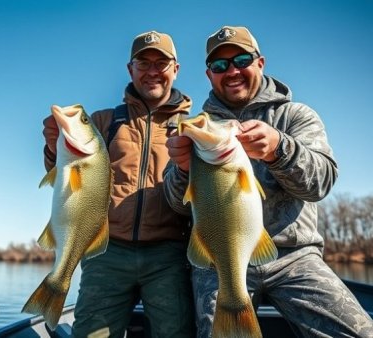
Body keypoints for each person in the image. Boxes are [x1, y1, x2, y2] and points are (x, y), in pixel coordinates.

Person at [163, 25, 373, 337]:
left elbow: (322, 183)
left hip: (295, 256)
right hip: (220, 261)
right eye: (219, 66)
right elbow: (175, 204)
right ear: (210, 76)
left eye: (241, 60)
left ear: (260, 63)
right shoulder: (195, 128)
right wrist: (181, 170)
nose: (231, 71)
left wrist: (280, 148)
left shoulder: (297, 116)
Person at [42, 30, 195, 337]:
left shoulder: (194, 127)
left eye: (161, 64)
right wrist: (52, 146)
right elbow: (64, 176)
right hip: (106, 253)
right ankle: (53, 291)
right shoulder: (103, 120)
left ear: (175, 69)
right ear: (131, 70)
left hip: (169, 255)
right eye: (144, 63)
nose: (152, 71)